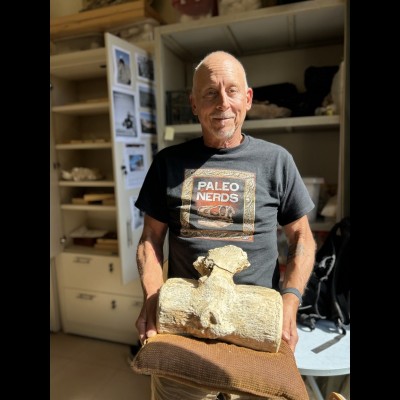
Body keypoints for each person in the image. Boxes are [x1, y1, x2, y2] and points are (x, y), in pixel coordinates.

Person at [134, 50, 316, 400]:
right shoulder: (168, 163)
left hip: (255, 334)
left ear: (247, 99)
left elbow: (302, 238)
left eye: (232, 91)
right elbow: (149, 241)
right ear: (193, 104)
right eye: (210, 93)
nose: (222, 103)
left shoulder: (276, 161)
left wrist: (290, 304)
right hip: (183, 332)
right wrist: (152, 298)